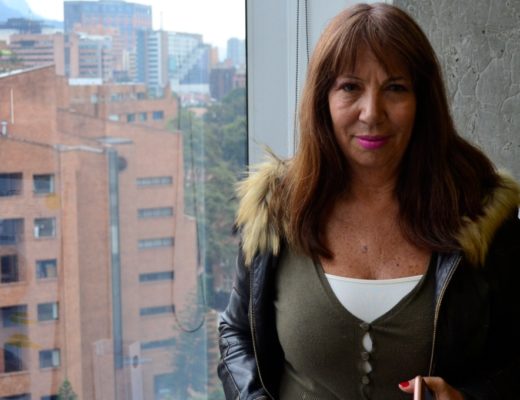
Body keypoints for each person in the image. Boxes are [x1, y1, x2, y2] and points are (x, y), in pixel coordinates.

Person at [217, 3, 520, 400]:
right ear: (323, 99)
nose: (372, 113)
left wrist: (468, 398)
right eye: (350, 87)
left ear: (423, 101)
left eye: (395, 88)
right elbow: (237, 333)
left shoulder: (483, 215)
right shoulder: (275, 209)